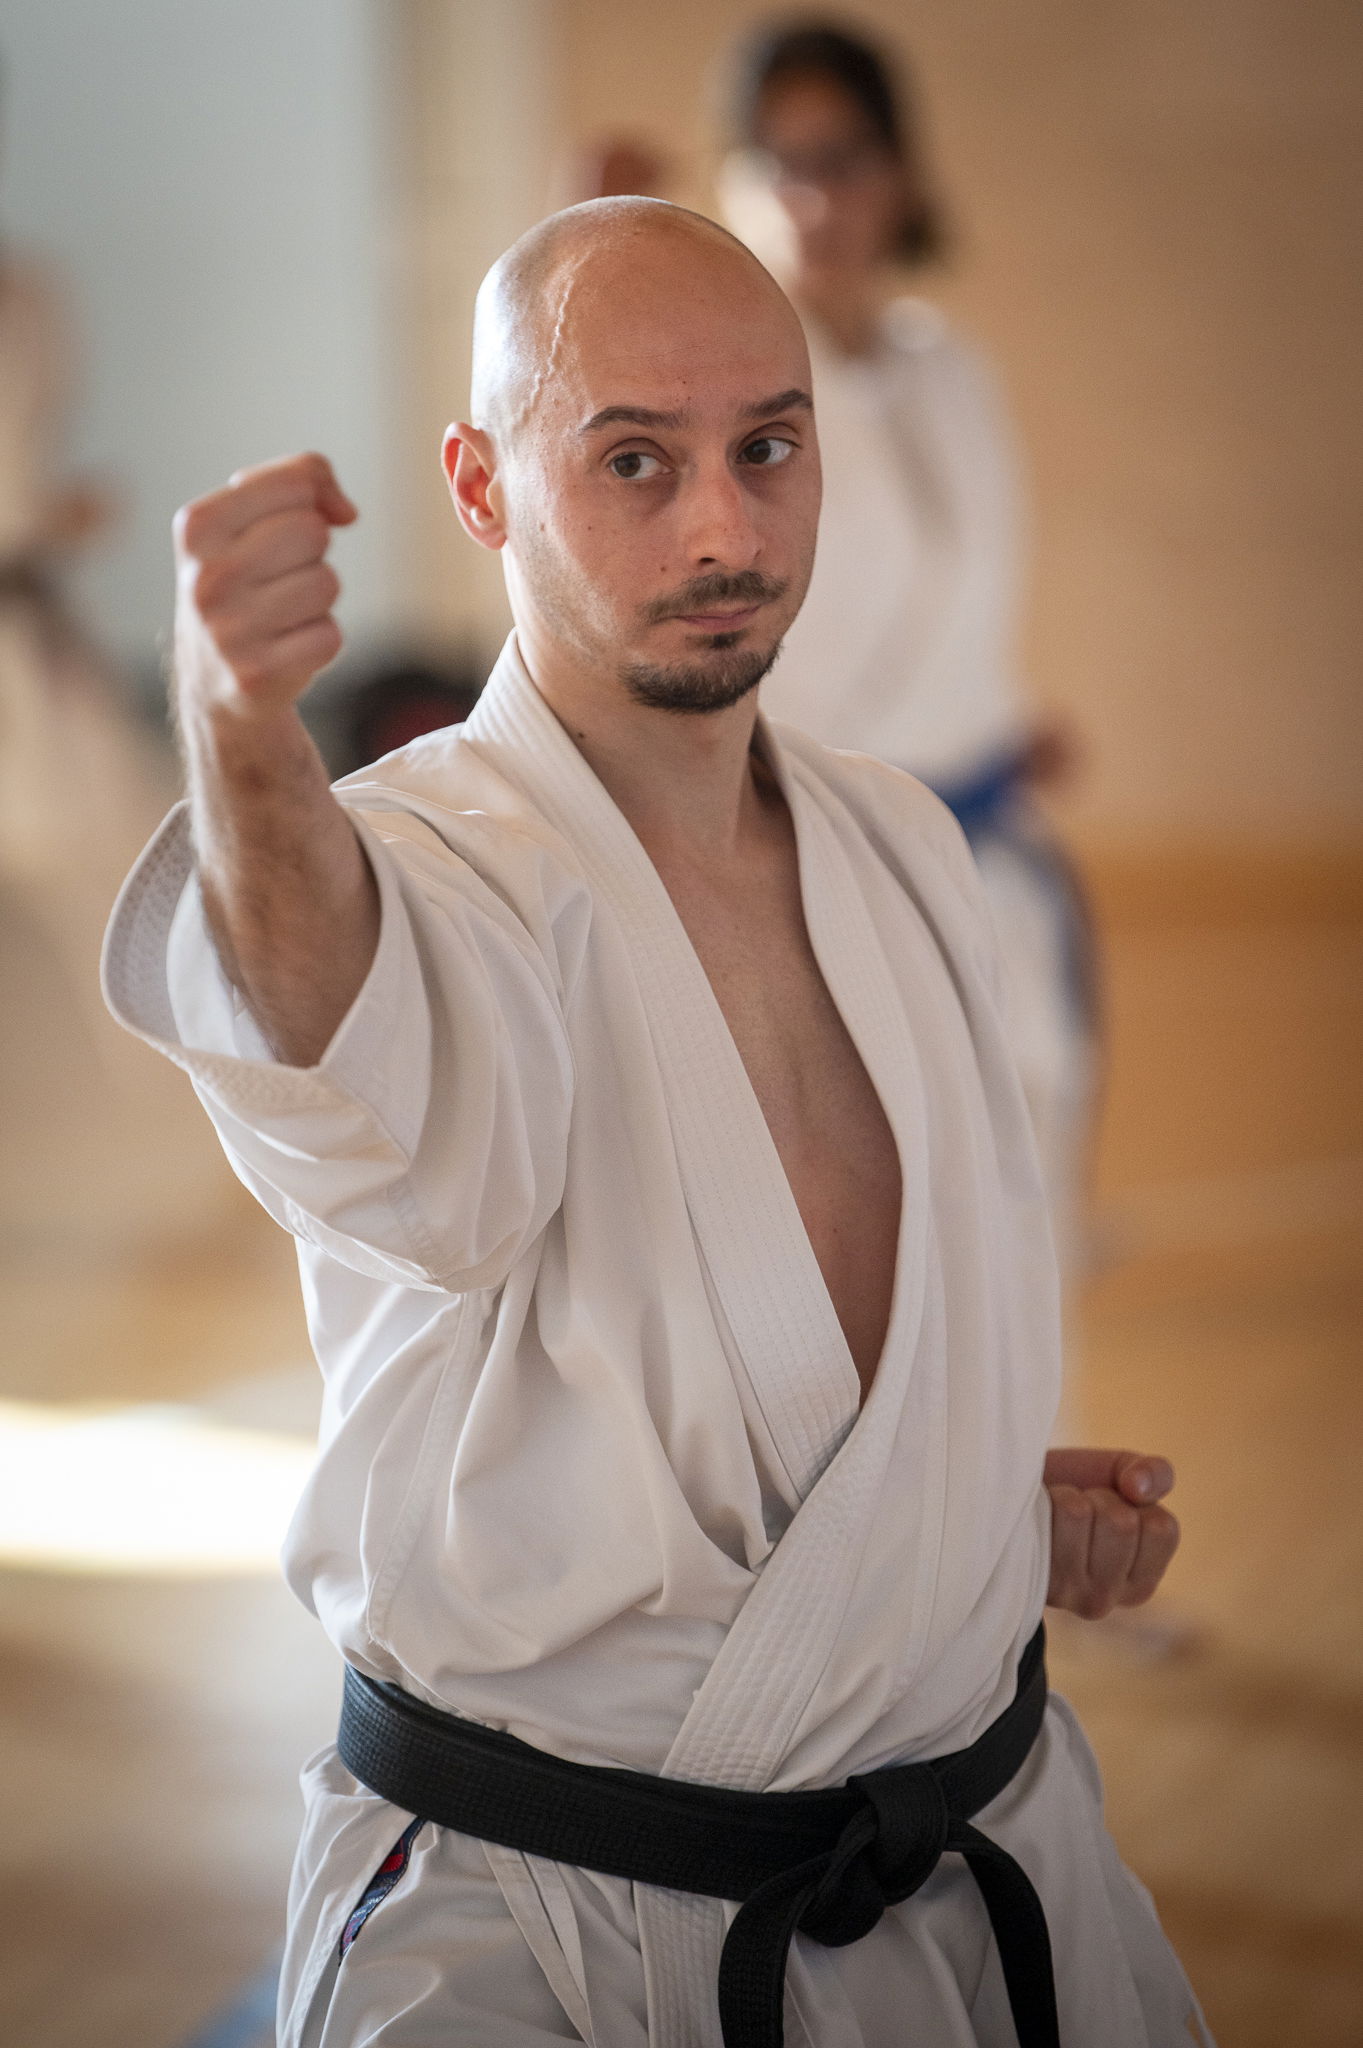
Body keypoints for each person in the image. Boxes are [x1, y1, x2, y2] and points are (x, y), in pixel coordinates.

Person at [103, 199, 1206, 2046]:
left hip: (988, 1864)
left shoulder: (900, 845)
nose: (723, 530)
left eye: (766, 448)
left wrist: (956, 1525)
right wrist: (238, 740)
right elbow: (338, 1048)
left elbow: (763, 1414)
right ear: (480, 487)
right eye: (632, 460)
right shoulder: (430, 863)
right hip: (538, 1929)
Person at [715, 23, 1096, 1286]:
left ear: (901, 172)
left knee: (1024, 1249)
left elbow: (953, 589)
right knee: (880, 1265)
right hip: (823, 873)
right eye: (776, 160)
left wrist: (1000, 713)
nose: (809, 197)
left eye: (838, 157)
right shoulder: (737, 398)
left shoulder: (951, 370)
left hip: (987, 848)